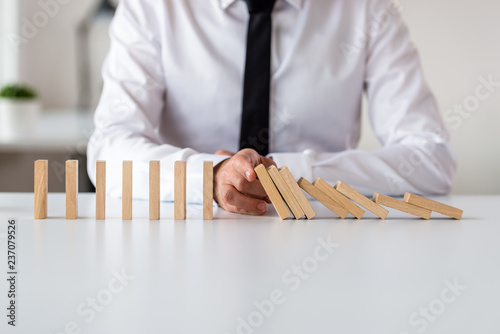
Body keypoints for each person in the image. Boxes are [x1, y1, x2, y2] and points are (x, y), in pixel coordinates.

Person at [87, 0, 456, 216]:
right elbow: (108, 151)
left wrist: (294, 174)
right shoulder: (152, 8)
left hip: (327, 243)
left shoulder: (365, 9)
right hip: (185, 241)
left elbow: (431, 159)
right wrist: (208, 176)